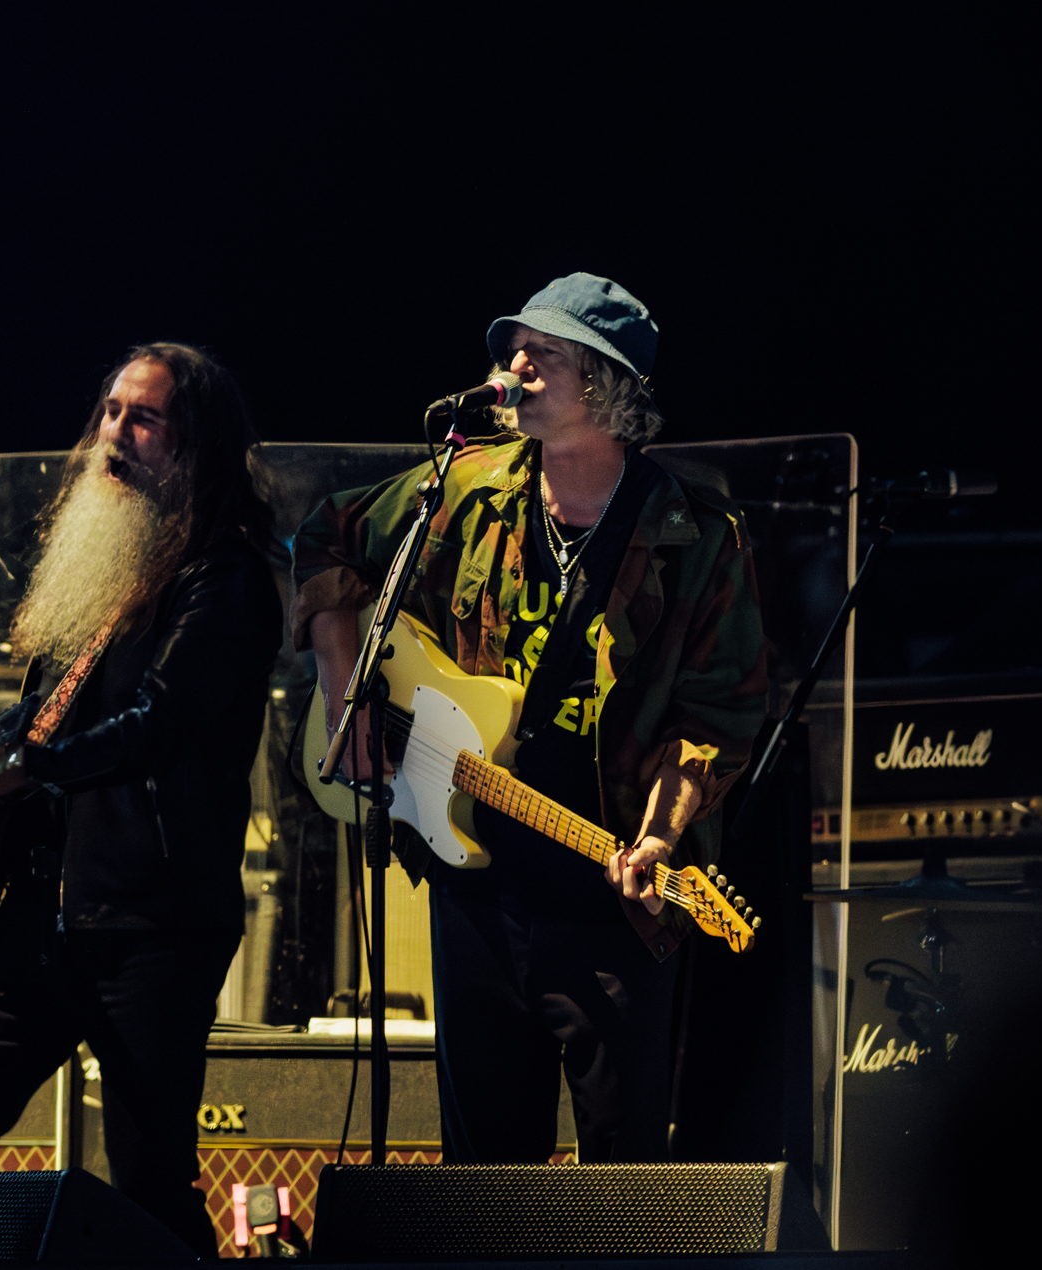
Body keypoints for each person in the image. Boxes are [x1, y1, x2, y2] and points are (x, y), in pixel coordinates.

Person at [293, 273, 768, 1163]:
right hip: (474, 879)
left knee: (624, 1180)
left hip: (608, 899)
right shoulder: (467, 486)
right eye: (511, 347)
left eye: (540, 353)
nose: (511, 366)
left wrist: (662, 837)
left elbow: (718, 716)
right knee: (483, 1178)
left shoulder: (696, 530)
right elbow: (325, 536)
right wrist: (340, 686)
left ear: (606, 384)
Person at [0, 342, 280, 1255]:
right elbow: (47, 712)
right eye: (109, 412)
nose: (115, 433)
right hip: (33, 922)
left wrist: (30, 766)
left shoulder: (224, 582)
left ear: (193, 445)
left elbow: (157, 724)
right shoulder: (104, 570)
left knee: (148, 1182)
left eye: (142, 418)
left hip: (151, 927)